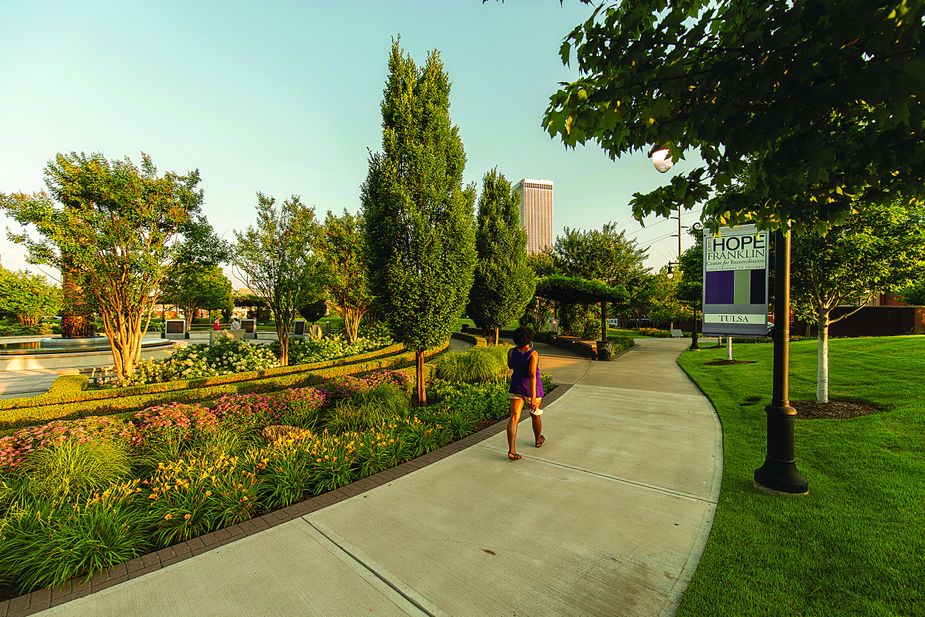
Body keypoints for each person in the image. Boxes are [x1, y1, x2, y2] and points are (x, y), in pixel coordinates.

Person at [506, 326, 545, 460]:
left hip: (516, 387)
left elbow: (510, 366)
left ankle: (511, 450)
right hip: (530, 389)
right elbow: (532, 375)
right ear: (529, 339)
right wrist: (533, 398)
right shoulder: (533, 353)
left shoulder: (511, 352)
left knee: (514, 417)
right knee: (535, 416)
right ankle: (538, 440)